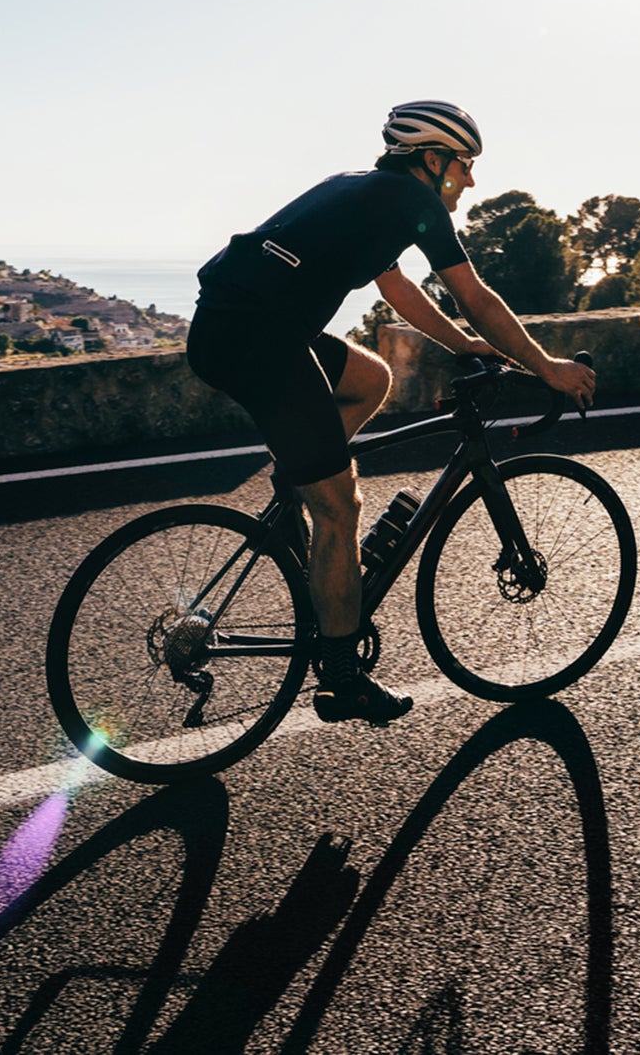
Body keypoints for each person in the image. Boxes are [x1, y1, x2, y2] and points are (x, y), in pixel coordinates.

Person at [186, 100, 596, 725]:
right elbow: (476, 296)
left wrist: (464, 347)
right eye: (464, 164)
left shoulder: (366, 194)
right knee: (341, 506)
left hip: (235, 325)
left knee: (370, 378)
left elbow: (398, 289)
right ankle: (344, 680)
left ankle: (303, 472)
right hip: (258, 337)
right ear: (433, 160)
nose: (471, 179)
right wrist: (548, 368)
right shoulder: (412, 202)